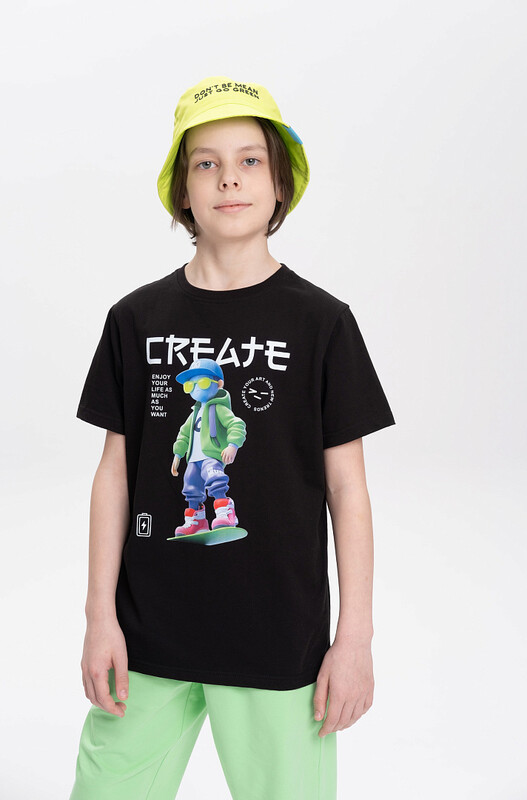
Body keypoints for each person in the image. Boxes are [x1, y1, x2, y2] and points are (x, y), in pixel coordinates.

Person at [69, 75, 396, 800]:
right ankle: (199, 517)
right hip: (146, 635)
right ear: (181, 190)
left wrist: (355, 637)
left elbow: (348, 489)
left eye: (250, 160)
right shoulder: (134, 319)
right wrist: (99, 618)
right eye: (206, 163)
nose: (229, 179)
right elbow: (114, 474)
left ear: (280, 184)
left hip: (279, 639)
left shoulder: (322, 322)